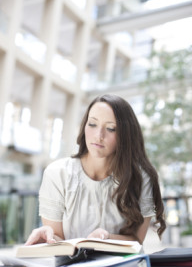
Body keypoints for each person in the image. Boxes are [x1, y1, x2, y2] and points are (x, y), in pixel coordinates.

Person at [26, 94, 166, 246]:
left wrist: (105, 237)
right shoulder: (57, 173)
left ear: (126, 135)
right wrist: (46, 237)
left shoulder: (141, 178)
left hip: (121, 266)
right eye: (92, 124)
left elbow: (136, 240)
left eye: (111, 128)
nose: (99, 136)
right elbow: (57, 240)